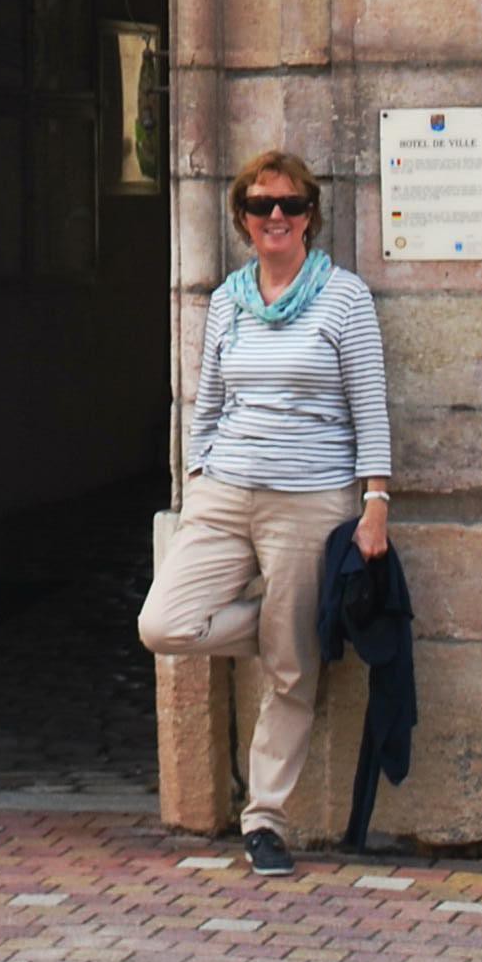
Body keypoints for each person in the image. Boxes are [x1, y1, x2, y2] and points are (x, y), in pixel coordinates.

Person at [136, 149, 392, 874]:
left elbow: (370, 408)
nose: (275, 216)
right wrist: (196, 479)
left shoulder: (344, 298)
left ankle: (265, 820)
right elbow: (208, 401)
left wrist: (375, 503)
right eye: (260, 205)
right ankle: (299, 630)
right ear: (242, 219)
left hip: (309, 501)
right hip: (223, 495)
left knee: (290, 675)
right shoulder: (227, 300)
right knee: (164, 624)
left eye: (290, 204)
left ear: (310, 215)